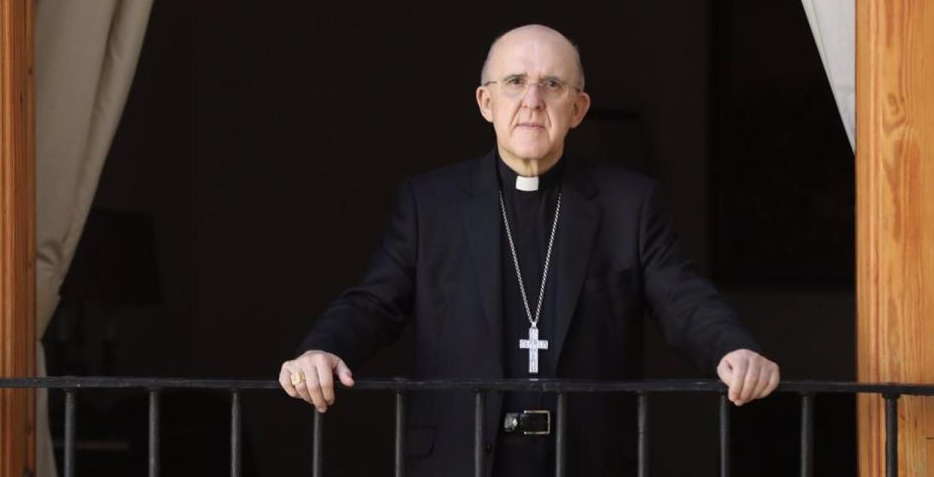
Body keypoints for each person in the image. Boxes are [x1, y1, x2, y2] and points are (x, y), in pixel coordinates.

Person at [279, 24, 779, 476]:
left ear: (578, 108)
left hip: (588, 459)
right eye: (514, 82)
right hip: (460, 459)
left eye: (553, 85)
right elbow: (375, 300)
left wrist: (731, 347)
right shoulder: (430, 203)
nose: (533, 100)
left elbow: (680, 295)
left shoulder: (629, 203)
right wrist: (325, 347)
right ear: (485, 102)